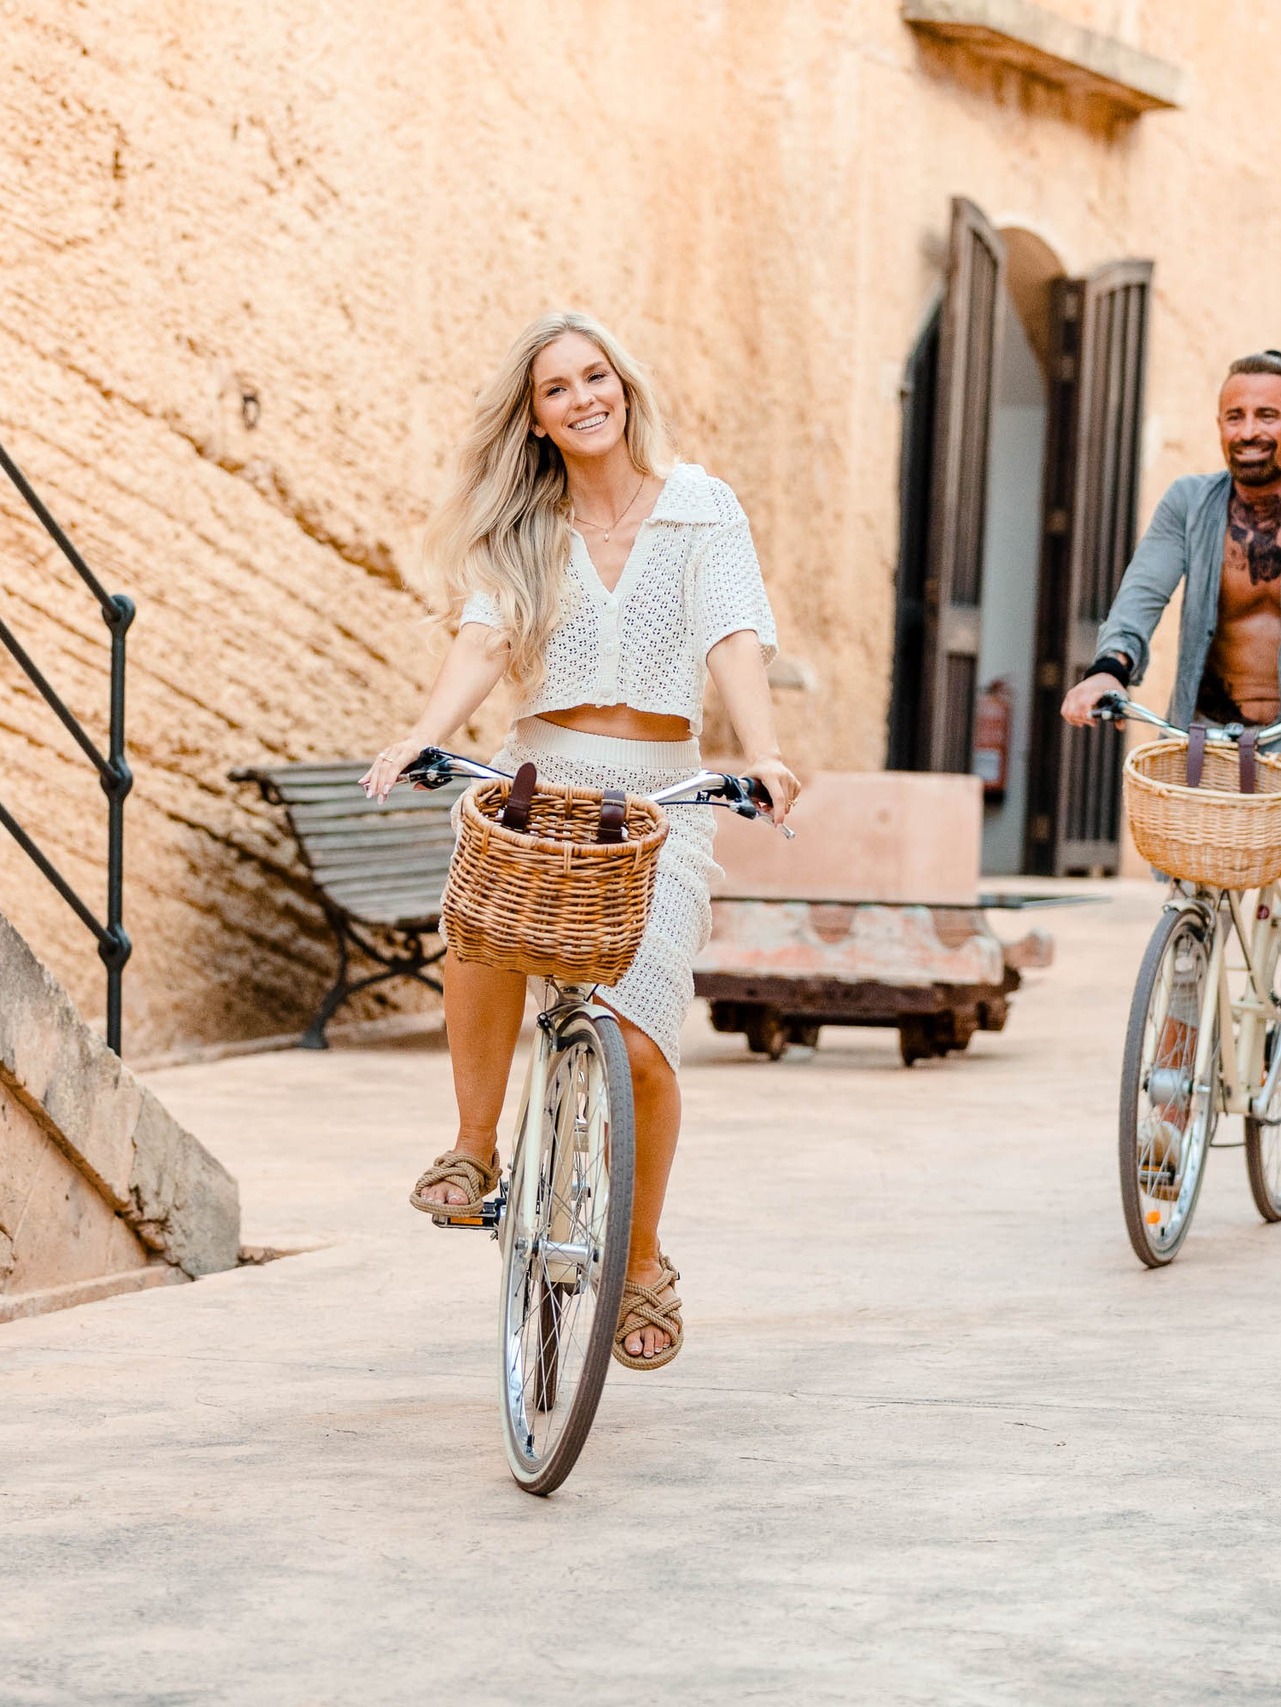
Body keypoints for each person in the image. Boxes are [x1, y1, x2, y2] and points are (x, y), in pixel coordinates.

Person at [361, 311, 800, 1370]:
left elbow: (733, 635)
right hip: (542, 777)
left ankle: (641, 1257)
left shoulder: (700, 507)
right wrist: (423, 733)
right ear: (537, 419)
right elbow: (487, 638)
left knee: (642, 1043)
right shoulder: (527, 527)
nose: (582, 398)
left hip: (661, 797)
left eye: (593, 376)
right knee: (478, 914)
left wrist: (765, 750)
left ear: (623, 387)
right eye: (556, 389)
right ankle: (474, 1149)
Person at [1059, 349, 1281, 1037]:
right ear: (1219, 425)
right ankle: (1171, 1087)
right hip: (1207, 733)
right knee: (1189, 917)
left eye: (1267, 415)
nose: (1249, 429)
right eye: (1235, 415)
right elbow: (1143, 590)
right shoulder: (1190, 504)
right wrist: (1109, 667)